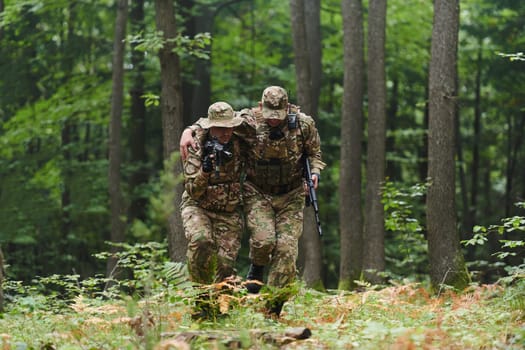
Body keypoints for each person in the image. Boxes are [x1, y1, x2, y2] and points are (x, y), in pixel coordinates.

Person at [180, 86, 325, 296]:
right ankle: (236, 282)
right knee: (262, 242)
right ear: (260, 107)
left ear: (288, 108)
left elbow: (315, 154)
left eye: (279, 115)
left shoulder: (303, 125)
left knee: (286, 250)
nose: (273, 120)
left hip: (291, 193)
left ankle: (272, 306)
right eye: (269, 115)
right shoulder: (248, 122)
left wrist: (315, 173)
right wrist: (189, 130)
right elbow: (216, 121)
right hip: (258, 191)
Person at [180, 101, 248, 284]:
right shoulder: (196, 146)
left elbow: (257, 115)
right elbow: (193, 190)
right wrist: (205, 172)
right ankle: (201, 297)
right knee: (202, 242)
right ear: (211, 128)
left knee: (225, 266)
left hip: (229, 210)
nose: (226, 132)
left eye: (229, 127)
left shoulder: (240, 138)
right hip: (199, 206)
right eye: (220, 128)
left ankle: (222, 307)